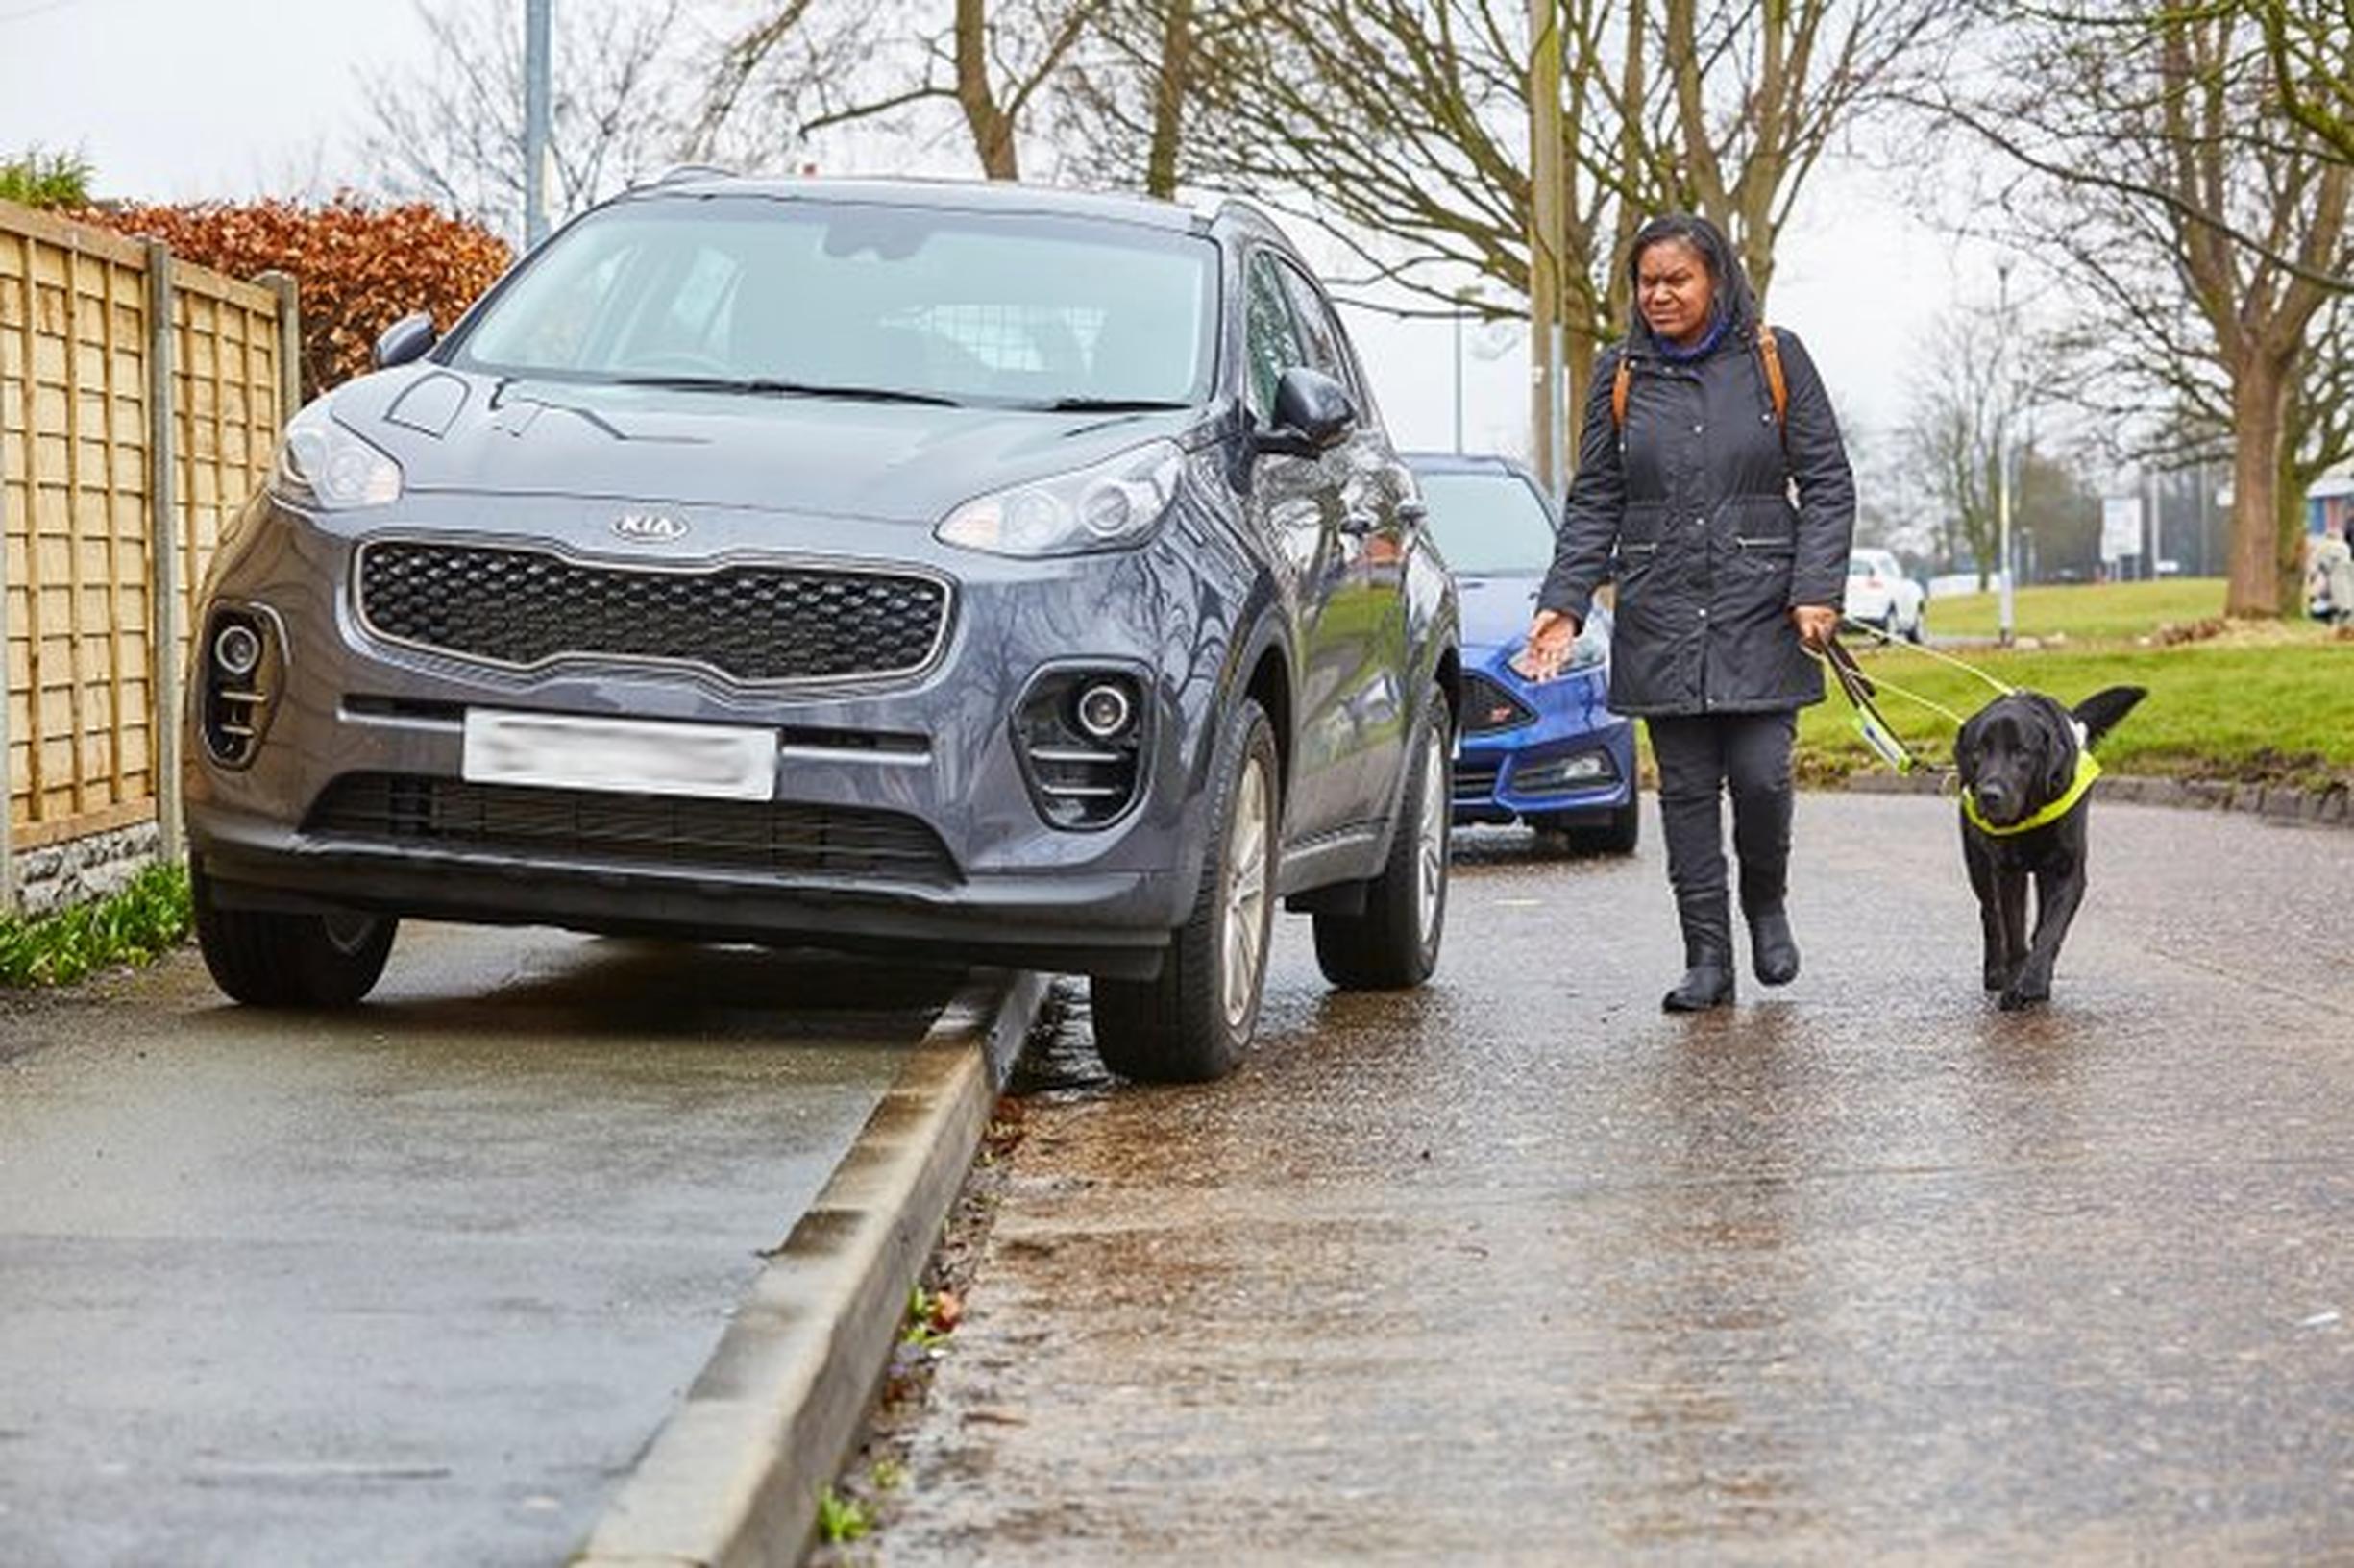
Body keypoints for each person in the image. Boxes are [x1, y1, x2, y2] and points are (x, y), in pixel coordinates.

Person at [1515, 213, 1855, 1012]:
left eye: (1678, 279)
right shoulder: (1619, 373)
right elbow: (1597, 496)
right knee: (1689, 793)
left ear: (1716, 280)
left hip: (1761, 607)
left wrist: (1816, 587)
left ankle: (1765, 903)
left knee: (1763, 777)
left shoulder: (1776, 358)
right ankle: (1708, 958)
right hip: (1661, 610)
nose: (1660, 295)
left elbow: (1828, 481)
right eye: (1648, 282)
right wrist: (1563, 604)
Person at [2309, 522, 2352, 626]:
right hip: (2339, 599)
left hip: (2325, 600)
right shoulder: (2344, 549)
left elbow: (2313, 572)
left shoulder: (2320, 550)